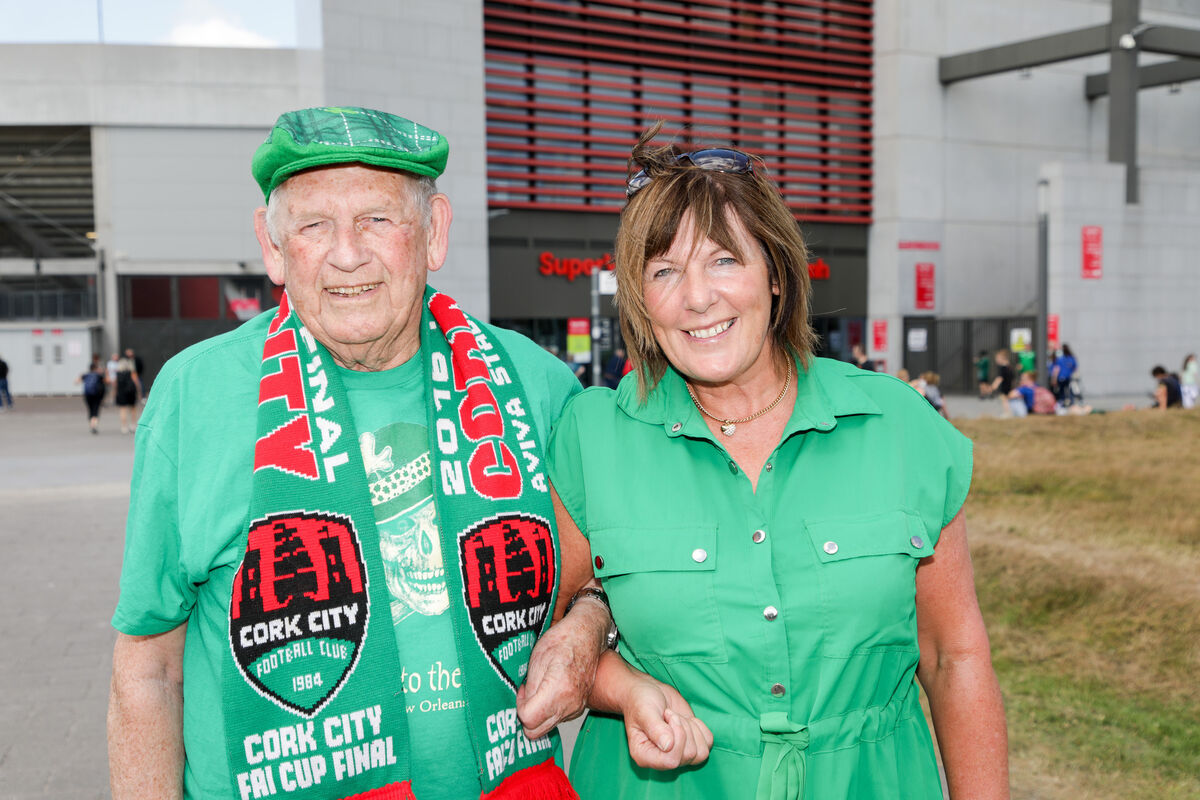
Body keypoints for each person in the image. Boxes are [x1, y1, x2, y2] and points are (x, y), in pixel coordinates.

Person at [108, 106, 624, 800]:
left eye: (378, 220)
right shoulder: (196, 395)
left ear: (434, 232)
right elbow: (148, 666)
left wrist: (591, 623)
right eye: (314, 225)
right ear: (272, 246)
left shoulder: (536, 387)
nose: (347, 253)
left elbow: (608, 573)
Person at [547, 126, 1009, 799]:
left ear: (776, 272)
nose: (697, 297)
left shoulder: (898, 426)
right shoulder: (593, 437)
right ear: (640, 299)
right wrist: (625, 687)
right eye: (664, 271)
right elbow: (541, 636)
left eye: (724, 260)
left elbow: (953, 656)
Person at [113, 351, 141, 433]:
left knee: (123, 409)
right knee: (133, 408)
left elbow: (115, 383)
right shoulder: (131, 371)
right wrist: (139, 391)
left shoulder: (118, 373)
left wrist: (114, 392)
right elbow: (136, 381)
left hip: (121, 392)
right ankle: (133, 425)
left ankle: (124, 426)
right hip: (131, 391)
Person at [79, 354, 107, 433]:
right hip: (97, 395)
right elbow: (107, 381)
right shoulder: (99, 375)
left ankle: (91, 424)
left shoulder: (86, 375)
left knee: (90, 409)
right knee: (96, 409)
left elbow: (77, 381)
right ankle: (94, 425)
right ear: (96, 368)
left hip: (87, 395)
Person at [989, 349, 1016, 418]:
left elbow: (999, 378)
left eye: (997, 358)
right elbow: (1013, 378)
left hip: (1005, 387)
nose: (996, 360)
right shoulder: (1009, 367)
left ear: (1002, 358)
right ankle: (1010, 412)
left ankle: (1007, 413)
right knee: (1008, 400)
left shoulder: (1003, 368)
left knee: (1004, 400)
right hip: (1010, 386)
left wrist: (993, 386)